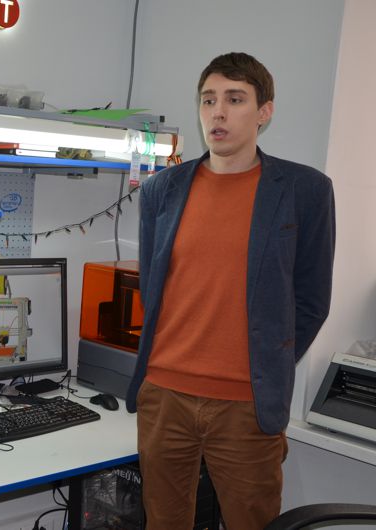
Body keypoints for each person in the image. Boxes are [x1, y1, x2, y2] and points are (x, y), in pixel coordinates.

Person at [125, 52, 335, 530]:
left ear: (264, 112)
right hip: (165, 397)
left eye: (235, 100)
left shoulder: (304, 190)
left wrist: (268, 363)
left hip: (247, 405)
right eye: (208, 100)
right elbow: (153, 289)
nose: (217, 112)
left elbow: (312, 300)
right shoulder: (162, 189)